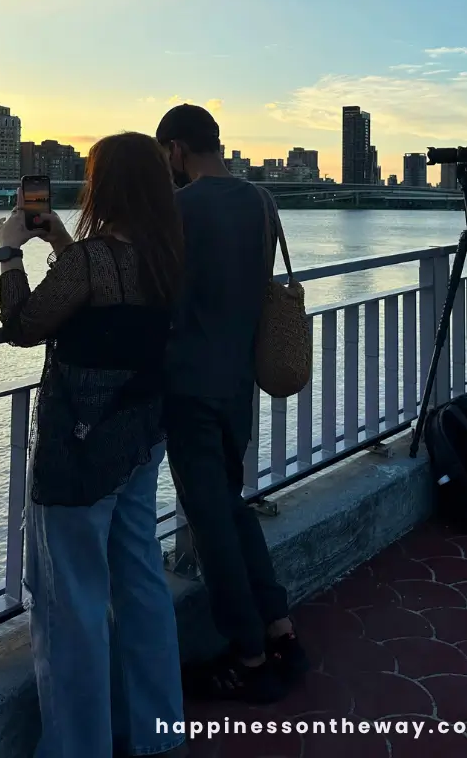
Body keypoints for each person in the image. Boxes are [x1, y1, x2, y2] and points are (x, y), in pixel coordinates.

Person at [0, 133, 186, 758]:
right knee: (140, 580)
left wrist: (9, 254)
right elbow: (110, 296)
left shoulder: (92, 260)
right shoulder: (168, 257)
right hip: (139, 438)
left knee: (69, 601)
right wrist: (60, 244)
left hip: (76, 451)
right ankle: (160, 734)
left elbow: (24, 326)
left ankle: (80, 747)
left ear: (102, 186)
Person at [155, 104, 305, 704]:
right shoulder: (260, 201)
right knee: (233, 507)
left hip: (189, 382)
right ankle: (279, 629)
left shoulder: (178, 210)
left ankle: (247, 654)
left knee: (210, 520)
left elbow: (160, 292)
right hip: (238, 381)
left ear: (174, 150)